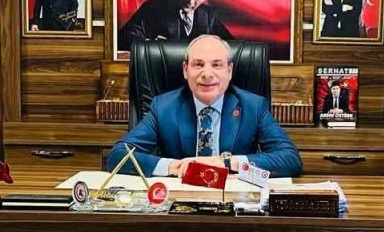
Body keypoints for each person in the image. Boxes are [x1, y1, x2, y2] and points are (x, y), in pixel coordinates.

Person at [107, 34, 300, 177]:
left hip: (232, 202)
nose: (207, 74)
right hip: (179, 203)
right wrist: (174, 167)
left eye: (216, 65)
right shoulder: (163, 107)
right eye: (198, 64)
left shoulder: (253, 106)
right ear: (185, 70)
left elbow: (290, 159)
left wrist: (226, 163)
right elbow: (118, 156)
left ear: (229, 71)